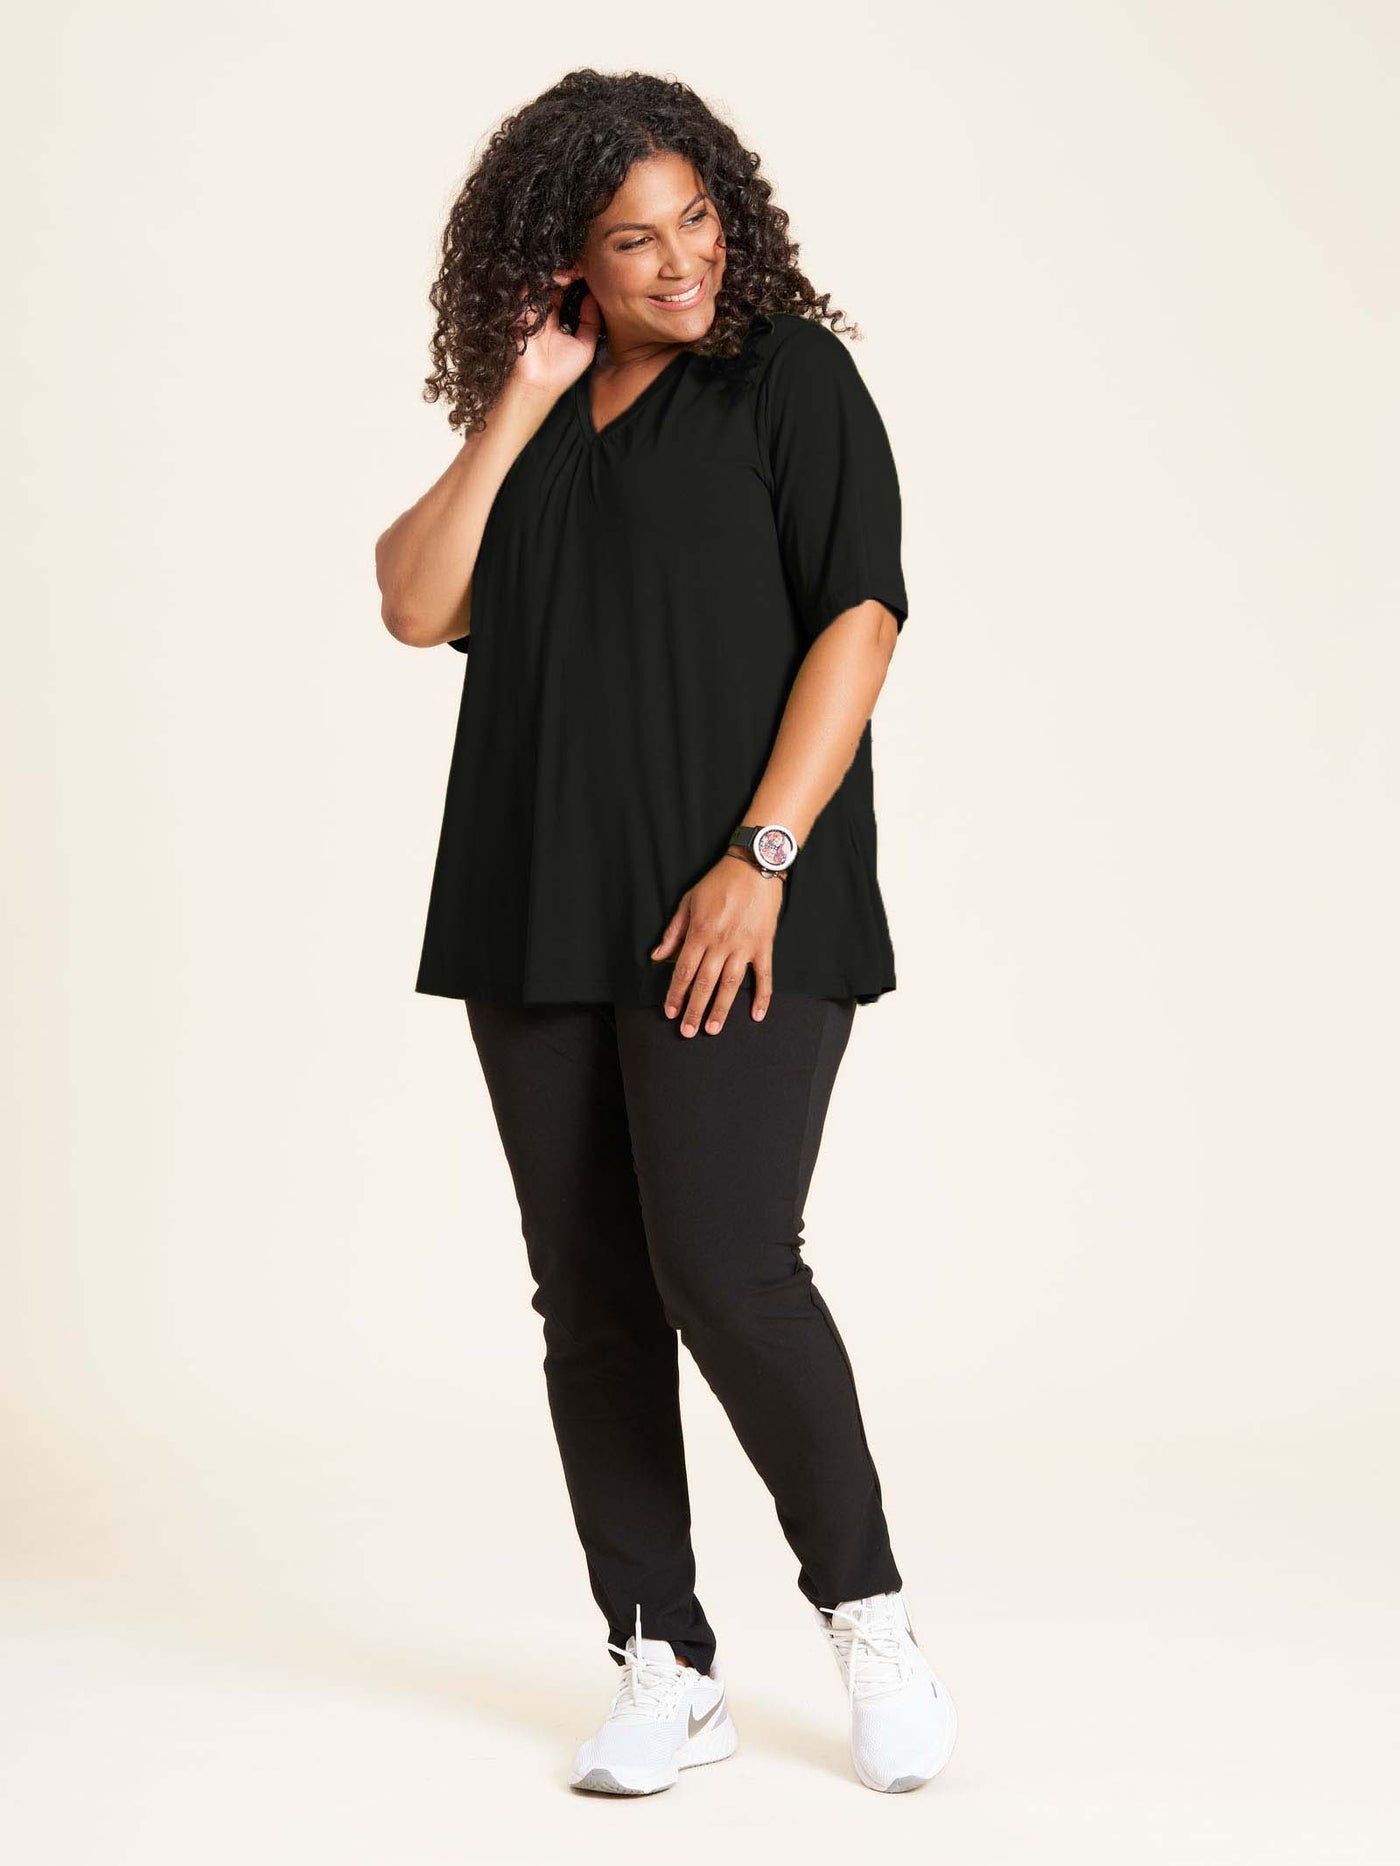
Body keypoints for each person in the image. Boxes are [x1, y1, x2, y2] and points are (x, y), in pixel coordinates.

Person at [375, 68, 956, 1797]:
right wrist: (520, 394)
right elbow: (414, 600)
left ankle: (868, 1615)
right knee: (592, 1294)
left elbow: (862, 616)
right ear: (566, 257)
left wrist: (762, 855)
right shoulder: (542, 414)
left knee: (727, 1263)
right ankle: (662, 1656)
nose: (682, 259)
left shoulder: (788, 378)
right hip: (538, 901)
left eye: (696, 218)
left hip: (735, 904)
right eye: (633, 240)